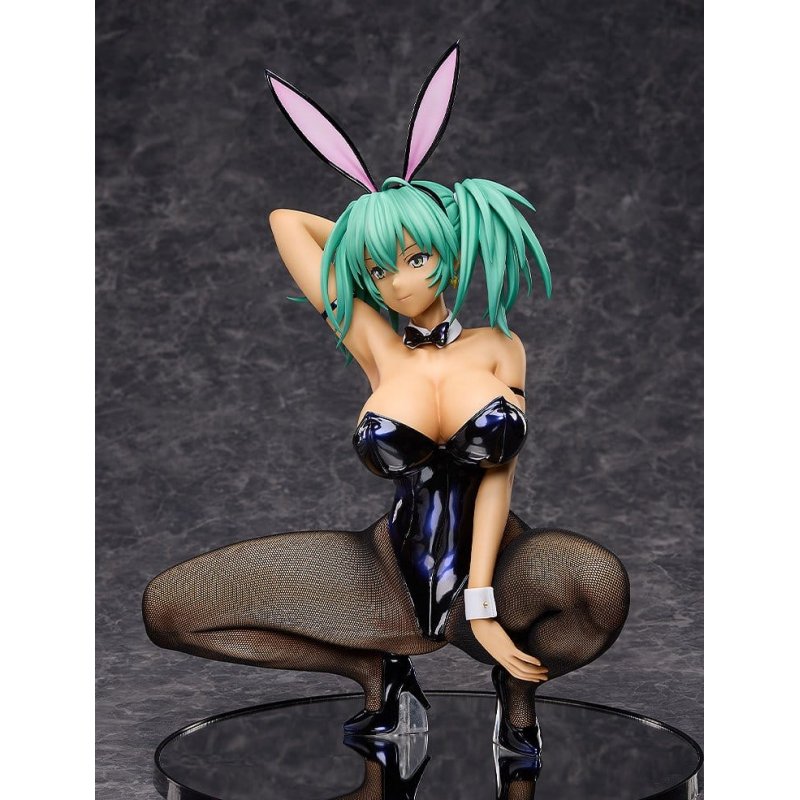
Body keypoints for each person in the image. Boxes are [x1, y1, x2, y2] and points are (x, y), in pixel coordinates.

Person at [142, 42, 630, 782]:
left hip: (498, 568)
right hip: (387, 570)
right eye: (378, 269)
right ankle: (376, 673)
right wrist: (371, 220)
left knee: (597, 584)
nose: (398, 284)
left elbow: (497, 479)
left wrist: (483, 601)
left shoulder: (500, 348)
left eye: (415, 258)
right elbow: (286, 222)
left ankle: (517, 689)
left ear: (449, 250)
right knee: (172, 610)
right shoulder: (373, 345)